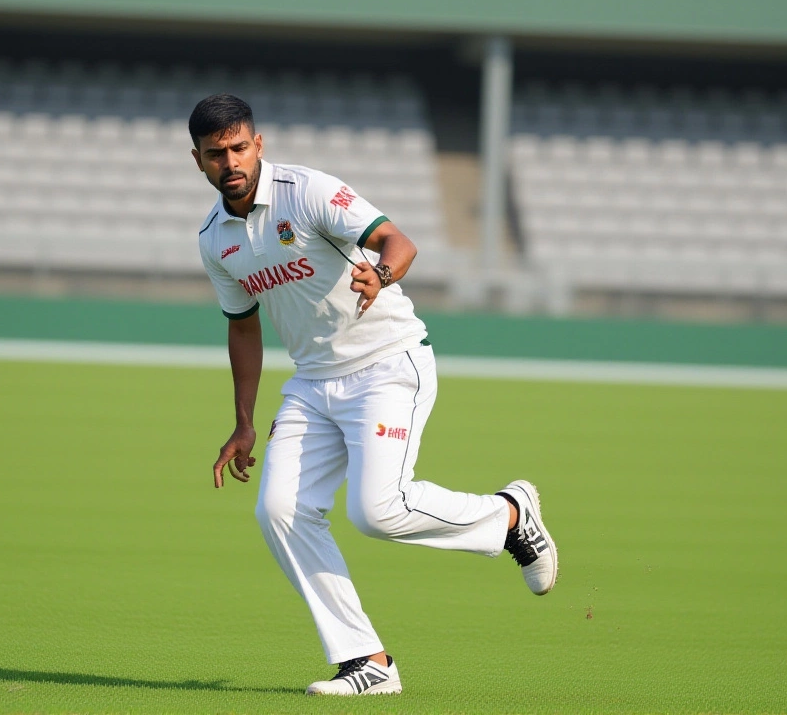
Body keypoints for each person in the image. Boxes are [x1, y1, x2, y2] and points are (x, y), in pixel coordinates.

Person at [190, 93, 557, 696]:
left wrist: (380, 274)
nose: (229, 163)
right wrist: (244, 422)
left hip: (387, 363)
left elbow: (399, 242)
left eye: (238, 148)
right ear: (198, 160)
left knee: (376, 512)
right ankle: (367, 661)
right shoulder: (214, 239)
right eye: (214, 154)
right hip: (312, 381)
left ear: (258, 145)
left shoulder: (308, 191)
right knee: (278, 511)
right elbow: (244, 327)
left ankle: (510, 515)